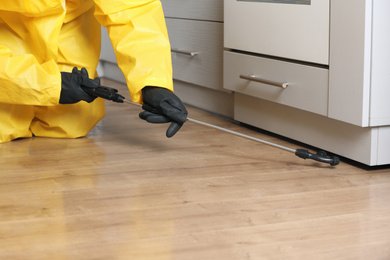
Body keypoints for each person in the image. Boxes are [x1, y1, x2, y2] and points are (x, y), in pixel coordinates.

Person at [0, 0, 187, 144]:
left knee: (72, 120)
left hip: (69, 22)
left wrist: (152, 81)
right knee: (5, 124)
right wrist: (48, 85)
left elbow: (131, 9)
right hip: (5, 26)